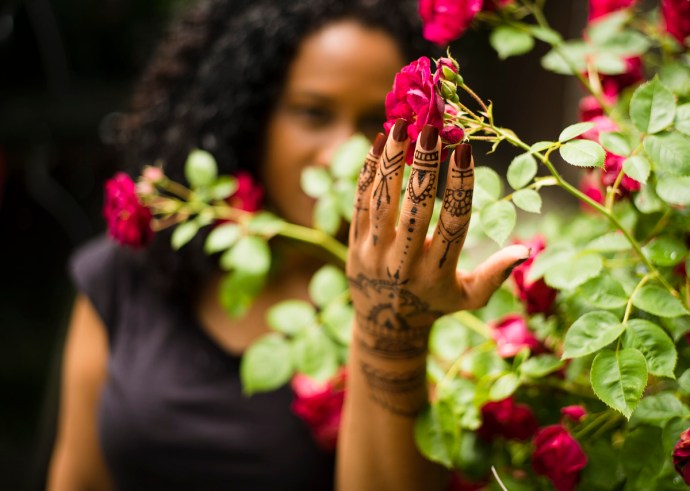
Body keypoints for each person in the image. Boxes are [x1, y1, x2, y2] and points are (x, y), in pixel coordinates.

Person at [46, 0, 530, 489]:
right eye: (314, 113)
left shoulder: (433, 294)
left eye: (373, 123)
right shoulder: (125, 277)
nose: (344, 150)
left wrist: (392, 331)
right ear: (252, 116)